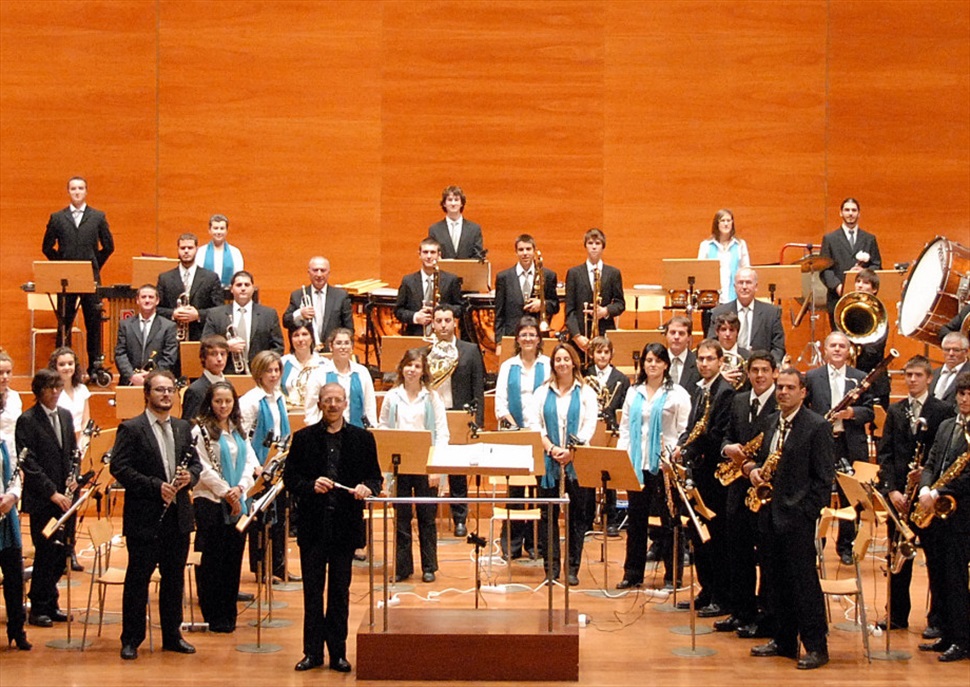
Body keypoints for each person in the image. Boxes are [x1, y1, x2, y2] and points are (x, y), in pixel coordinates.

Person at [285, 383, 382, 673]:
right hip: (313, 527)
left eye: (337, 400)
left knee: (340, 592)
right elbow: (290, 479)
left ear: (345, 404)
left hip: (344, 527)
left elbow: (375, 479)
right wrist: (310, 485)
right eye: (327, 400)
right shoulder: (302, 439)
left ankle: (338, 652)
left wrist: (367, 488)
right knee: (312, 593)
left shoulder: (362, 439)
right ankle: (312, 652)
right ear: (319, 403)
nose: (332, 405)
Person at [746, 368, 834, 670]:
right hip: (769, 514)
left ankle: (816, 646)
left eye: (789, 387)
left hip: (798, 519)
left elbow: (824, 480)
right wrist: (754, 470)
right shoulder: (772, 421)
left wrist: (806, 513)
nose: (783, 392)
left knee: (803, 584)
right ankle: (784, 640)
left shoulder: (816, 426)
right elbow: (764, 460)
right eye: (780, 386)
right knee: (774, 580)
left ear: (803, 392)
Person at [109, 369, 201, 660]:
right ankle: (131, 639)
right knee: (139, 579)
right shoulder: (132, 428)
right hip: (145, 518)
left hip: (178, 517)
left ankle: (172, 635)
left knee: (174, 581)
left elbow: (197, 466)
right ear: (147, 394)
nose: (166, 395)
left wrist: (191, 477)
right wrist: (154, 486)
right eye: (160, 390)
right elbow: (119, 468)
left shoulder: (183, 427)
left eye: (170, 390)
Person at [876, 355, 953, 633]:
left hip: (926, 499)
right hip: (900, 498)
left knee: (936, 560)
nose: (911, 380)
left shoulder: (942, 411)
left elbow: (944, 454)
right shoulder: (896, 411)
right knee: (898, 557)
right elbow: (885, 454)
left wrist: (926, 481)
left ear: (929, 378)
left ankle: (938, 619)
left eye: (917, 375)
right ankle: (896, 614)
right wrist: (892, 491)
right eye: (908, 375)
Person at [615, 343, 691, 590]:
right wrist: (623, 460)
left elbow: (683, 430)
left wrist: (675, 457)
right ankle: (632, 573)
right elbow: (625, 428)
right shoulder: (633, 391)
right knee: (636, 521)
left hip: (665, 466)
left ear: (666, 364)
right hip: (638, 464)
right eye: (648, 360)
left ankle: (673, 575)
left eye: (658, 360)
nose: (653, 364)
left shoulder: (677, 394)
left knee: (670, 521)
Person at [715, 351, 778, 637]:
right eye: (755, 370)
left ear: (774, 372)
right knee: (736, 553)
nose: (760, 375)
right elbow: (726, 435)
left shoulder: (782, 402)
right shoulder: (739, 400)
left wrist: (756, 467)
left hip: (766, 491)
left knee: (765, 555)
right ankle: (741, 611)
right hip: (737, 488)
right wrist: (728, 448)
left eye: (765, 370)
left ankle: (765, 616)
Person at [672, 339, 734, 617]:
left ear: (721, 361)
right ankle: (706, 589)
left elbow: (714, 434)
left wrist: (688, 449)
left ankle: (720, 595)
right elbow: (692, 427)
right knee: (699, 536)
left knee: (717, 538)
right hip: (698, 471)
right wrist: (680, 445)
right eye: (701, 359)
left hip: (713, 475)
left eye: (710, 359)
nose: (705, 363)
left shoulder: (725, 392)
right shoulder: (701, 390)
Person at [190, 381, 258, 633]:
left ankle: (228, 613)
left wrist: (239, 488)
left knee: (233, 558)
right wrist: (224, 492)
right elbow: (202, 468)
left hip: (238, 500)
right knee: (213, 560)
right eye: (218, 401)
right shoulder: (200, 431)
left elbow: (250, 461)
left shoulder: (238, 428)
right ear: (210, 402)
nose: (223, 406)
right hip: (210, 501)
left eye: (228, 401)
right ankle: (213, 612)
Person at [529, 343, 598, 585]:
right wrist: (551, 448)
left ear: (574, 362)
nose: (562, 363)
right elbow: (534, 426)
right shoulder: (541, 392)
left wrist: (571, 451)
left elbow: (590, 425)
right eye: (558, 359)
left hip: (577, 463)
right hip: (549, 462)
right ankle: (551, 569)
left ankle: (572, 568)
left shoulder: (587, 391)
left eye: (566, 359)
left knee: (576, 517)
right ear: (553, 364)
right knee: (548, 516)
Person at [380, 349, 449, 583]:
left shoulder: (432, 397)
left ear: (423, 371)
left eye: (417, 366)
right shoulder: (392, 396)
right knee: (401, 518)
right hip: (400, 466)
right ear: (402, 368)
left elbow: (442, 434)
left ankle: (429, 566)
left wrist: (437, 468)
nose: (412, 370)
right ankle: (403, 567)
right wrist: (386, 472)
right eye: (408, 365)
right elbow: (384, 429)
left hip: (425, 464)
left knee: (427, 518)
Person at [805, 330, 874, 565]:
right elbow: (804, 408)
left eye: (841, 346)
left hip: (848, 443)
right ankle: (817, 543)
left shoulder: (860, 377)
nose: (837, 349)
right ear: (825, 350)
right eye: (832, 345)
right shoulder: (812, 377)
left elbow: (870, 412)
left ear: (848, 351)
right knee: (819, 492)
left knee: (848, 496)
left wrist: (850, 413)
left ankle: (845, 546)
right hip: (821, 442)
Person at [915, 370, 970, 663]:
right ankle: (947, 633)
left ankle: (962, 640)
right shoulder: (948, 425)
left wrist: (940, 491)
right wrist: (926, 485)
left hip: (963, 515)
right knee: (941, 576)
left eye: (969, 394)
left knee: (958, 577)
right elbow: (932, 460)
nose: (964, 399)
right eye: (962, 394)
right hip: (938, 512)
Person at [41, 176, 114, 376]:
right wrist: (61, 265)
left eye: (81, 188)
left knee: (93, 323)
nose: (77, 192)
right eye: (73, 188)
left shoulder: (98, 217)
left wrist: (94, 265)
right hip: (65, 280)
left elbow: (109, 246)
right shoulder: (57, 218)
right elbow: (46, 247)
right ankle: (60, 369)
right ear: (68, 192)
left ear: (86, 191)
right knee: (64, 323)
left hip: (90, 279)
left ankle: (94, 368)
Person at [494, 317, 550, 558]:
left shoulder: (548, 365)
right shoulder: (508, 366)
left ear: (539, 339)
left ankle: (536, 545)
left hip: (542, 436)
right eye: (523, 335)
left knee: (539, 491)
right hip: (515, 436)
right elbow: (500, 403)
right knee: (515, 492)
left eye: (532, 334)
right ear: (517, 339)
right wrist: (517, 431)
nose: (528, 339)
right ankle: (512, 545)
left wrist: (537, 431)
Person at [427, 304, 484, 537]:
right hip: (433, 417)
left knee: (458, 471)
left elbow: (478, 388)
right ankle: (427, 516)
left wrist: (477, 422)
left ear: (455, 323)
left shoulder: (469, 350)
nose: (442, 325)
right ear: (432, 324)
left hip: (459, 414)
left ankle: (460, 517)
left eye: (447, 320)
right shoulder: (425, 352)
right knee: (431, 465)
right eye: (438, 321)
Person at [239, 350, 291, 580]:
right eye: (269, 370)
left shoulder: (278, 397)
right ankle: (261, 568)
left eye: (277, 370)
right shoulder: (251, 400)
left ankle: (278, 566)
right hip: (259, 467)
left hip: (277, 465)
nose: (273, 375)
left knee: (279, 518)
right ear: (259, 373)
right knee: (260, 520)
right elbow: (242, 437)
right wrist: (254, 466)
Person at [583, 336, 630, 535]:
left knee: (610, 475)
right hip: (590, 430)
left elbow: (624, 407)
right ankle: (586, 519)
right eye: (598, 352)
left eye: (606, 352)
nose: (602, 356)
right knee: (588, 476)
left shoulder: (621, 378)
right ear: (592, 354)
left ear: (611, 354)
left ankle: (610, 518)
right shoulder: (584, 375)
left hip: (612, 432)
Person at [0, 350, 29, 650]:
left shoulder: (16, 400)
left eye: (8, 372)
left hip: (7, 497)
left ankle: (17, 629)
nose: (5, 378)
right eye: (0, 373)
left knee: (13, 570)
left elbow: (15, 461)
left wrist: (12, 495)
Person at [202, 270, 284, 370]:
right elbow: (205, 344)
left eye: (247, 285)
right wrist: (225, 347)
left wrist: (265, 366)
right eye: (239, 285)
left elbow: (278, 347)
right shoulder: (215, 314)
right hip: (225, 373)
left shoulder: (269, 314)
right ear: (231, 289)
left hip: (259, 374)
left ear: (253, 289)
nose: (243, 288)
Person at [819, 198, 882, 327]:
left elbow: (877, 265)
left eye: (854, 210)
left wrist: (864, 273)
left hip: (864, 300)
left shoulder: (869, 239)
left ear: (859, 214)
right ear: (840, 213)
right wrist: (838, 286)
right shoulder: (830, 239)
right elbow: (824, 269)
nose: (850, 213)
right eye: (847, 210)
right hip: (837, 298)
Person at [564, 228, 625, 354]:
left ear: (603, 247)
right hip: (580, 336)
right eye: (590, 243)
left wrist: (606, 311)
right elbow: (569, 310)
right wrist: (577, 336)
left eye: (597, 243)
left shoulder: (613, 273)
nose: (594, 247)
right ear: (585, 246)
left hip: (604, 334)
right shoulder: (574, 273)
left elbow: (620, 304)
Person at [705, 268, 785, 364]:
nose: (744, 287)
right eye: (740, 282)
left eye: (748, 282)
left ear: (756, 286)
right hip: (727, 368)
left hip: (760, 370)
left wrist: (767, 366)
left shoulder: (771, 312)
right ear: (734, 287)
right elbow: (711, 345)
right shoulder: (719, 312)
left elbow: (778, 348)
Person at [493, 234, 559, 348]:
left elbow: (555, 305)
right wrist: (499, 342)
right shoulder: (503, 277)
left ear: (534, 251)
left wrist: (542, 304)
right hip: (512, 336)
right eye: (521, 250)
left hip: (539, 336)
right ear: (516, 252)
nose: (525, 253)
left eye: (528, 249)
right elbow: (499, 313)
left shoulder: (548, 276)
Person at [156, 233, 224, 343]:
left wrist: (198, 315)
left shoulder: (211, 278)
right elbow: (156, 309)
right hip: (171, 339)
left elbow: (220, 310)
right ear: (178, 249)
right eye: (183, 248)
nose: (186, 251)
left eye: (190, 248)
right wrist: (173, 314)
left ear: (196, 249)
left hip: (201, 337)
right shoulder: (165, 278)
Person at [303, 329, 376, 428]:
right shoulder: (319, 374)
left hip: (357, 432)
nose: (343, 347)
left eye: (346, 343)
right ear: (331, 346)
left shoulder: (362, 372)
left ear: (352, 347)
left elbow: (370, 406)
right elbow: (311, 409)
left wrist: (372, 428)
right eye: (338, 343)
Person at [394, 238, 463, 336]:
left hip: (444, 336)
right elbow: (398, 311)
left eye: (433, 252)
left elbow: (460, 309)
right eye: (425, 252)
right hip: (415, 335)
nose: (429, 256)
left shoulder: (451, 279)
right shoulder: (408, 281)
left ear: (439, 255)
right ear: (419, 255)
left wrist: (442, 309)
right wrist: (415, 317)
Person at [282, 256, 354, 350]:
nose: (319, 274)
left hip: (332, 353)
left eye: (323, 270)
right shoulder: (297, 295)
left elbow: (349, 329)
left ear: (328, 273)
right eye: (315, 270)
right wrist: (300, 313)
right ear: (309, 273)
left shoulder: (340, 296)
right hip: (306, 352)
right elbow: (286, 321)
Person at [114, 284, 179, 386]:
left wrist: (151, 376)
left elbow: (169, 357)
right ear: (137, 300)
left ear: (157, 301)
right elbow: (120, 354)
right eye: (143, 297)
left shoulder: (169, 326)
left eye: (151, 297)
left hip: (157, 383)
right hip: (130, 382)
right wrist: (132, 376)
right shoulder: (125, 325)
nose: (147, 300)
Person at [849, 269, 890, 409]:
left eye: (866, 283)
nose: (860, 285)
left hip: (875, 379)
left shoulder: (879, 315)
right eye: (858, 281)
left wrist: (856, 346)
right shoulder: (848, 310)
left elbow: (874, 351)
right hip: (853, 378)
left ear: (874, 289)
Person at [697, 208, 751, 306]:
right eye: (722, 220)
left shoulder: (740, 244)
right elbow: (700, 271)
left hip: (734, 298)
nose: (726, 224)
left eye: (728, 220)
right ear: (716, 224)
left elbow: (746, 270)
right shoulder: (706, 245)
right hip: (712, 300)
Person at [427, 185, 484, 260]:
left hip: (467, 271)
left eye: (456, 200)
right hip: (442, 271)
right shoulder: (435, 230)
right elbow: (432, 255)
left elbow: (478, 256)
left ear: (462, 203)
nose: (453, 203)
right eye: (450, 200)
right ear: (444, 203)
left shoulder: (474, 229)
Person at [181, 335, 229, 421]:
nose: (219, 359)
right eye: (213, 354)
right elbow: (188, 425)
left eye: (223, 354)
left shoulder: (229, 385)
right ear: (203, 358)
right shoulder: (195, 390)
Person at [281, 324, 331, 408]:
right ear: (290, 339)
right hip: (289, 414)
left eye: (305, 334)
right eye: (296, 335)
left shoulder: (325, 364)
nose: (300, 339)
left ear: (312, 338)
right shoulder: (282, 363)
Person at [48, 347, 90, 438]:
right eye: (62, 364)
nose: (67, 367)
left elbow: (85, 420)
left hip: (81, 440)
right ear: (55, 367)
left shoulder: (82, 389)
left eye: (70, 363)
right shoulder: (52, 392)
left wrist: (82, 441)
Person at [194, 214, 244, 287]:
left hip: (227, 294)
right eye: (216, 228)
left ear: (226, 231)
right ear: (209, 231)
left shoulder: (235, 252)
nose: (219, 232)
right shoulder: (201, 252)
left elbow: (239, 277)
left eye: (222, 228)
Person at [930, 332, 969, 409]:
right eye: (947, 350)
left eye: (956, 350)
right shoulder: (933, 374)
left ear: (966, 352)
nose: (951, 354)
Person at [712, 311, 749, 390]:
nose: (728, 334)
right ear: (717, 332)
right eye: (723, 329)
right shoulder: (708, 356)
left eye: (732, 330)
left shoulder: (748, 356)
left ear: (737, 332)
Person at [666, 315, 699, 391]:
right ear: (666, 335)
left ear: (689, 338)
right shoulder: (657, 361)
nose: (676, 337)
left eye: (681, 333)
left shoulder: (697, 363)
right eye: (672, 332)